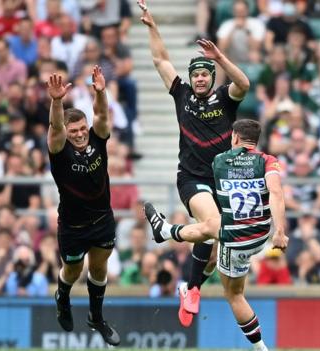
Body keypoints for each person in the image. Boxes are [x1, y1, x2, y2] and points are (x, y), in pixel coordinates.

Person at [138, 0, 251, 327]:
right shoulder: (182, 95)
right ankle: (166, 231)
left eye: (205, 74)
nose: (200, 79)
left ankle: (191, 287)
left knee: (213, 242)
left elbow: (244, 84)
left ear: (212, 78)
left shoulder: (225, 99)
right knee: (215, 227)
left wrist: (221, 58)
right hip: (192, 179)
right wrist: (152, 27)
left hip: (223, 182)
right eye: (196, 74)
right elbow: (160, 59)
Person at [145, 119, 289, 351]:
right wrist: (280, 231)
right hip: (260, 235)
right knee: (211, 229)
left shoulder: (220, 161)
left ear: (234, 138)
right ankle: (191, 281)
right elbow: (276, 192)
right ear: (256, 141)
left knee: (234, 294)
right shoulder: (268, 161)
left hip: (234, 238)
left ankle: (167, 232)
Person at [46, 65, 120, 346]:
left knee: (99, 269)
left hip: (102, 219)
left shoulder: (97, 138)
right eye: (72, 130)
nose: (78, 134)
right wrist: (56, 101)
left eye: (81, 128)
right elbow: (54, 127)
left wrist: (100, 93)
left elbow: (101, 115)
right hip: (73, 226)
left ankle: (96, 317)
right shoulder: (59, 151)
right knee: (73, 272)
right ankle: (62, 297)